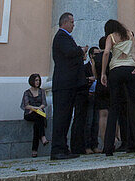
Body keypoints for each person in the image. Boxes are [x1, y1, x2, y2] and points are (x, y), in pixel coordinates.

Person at [99, 19, 135, 156]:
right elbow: (134, 52)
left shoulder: (110, 37)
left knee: (114, 108)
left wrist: (103, 73)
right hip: (131, 69)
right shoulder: (129, 34)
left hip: (116, 70)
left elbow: (106, 53)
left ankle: (108, 147)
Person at [50, 12, 87, 159]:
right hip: (64, 84)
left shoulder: (64, 37)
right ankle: (58, 149)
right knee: (61, 117)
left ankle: (63, 148)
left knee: (65, 117)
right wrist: (81, 50)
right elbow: (70, 52)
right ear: (65, 22)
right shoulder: (61, 36)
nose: (73, 25)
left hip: (68, 84)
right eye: (72, 22)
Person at [85, 46, 108, 152]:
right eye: (95, 54)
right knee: (89, 122)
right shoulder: (86, 67)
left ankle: (95, 145)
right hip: (89, 95)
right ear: (91, 56)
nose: (98, 56)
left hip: (98, 94)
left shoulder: (101, 64)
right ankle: (87, 146)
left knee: (96, 122)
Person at [22, 73, 49, 158]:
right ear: (32, 81)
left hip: (39, 113)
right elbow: (26, 105)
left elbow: (44, 103)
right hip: (30, 113)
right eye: (36, 80)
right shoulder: (27, 92)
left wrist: (39, 108)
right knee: (38, 117)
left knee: (37, 124)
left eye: (38, 80)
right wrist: (35, 108)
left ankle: (34, 150)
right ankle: (43, 137)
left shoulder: (42, 91)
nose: (37, 82)